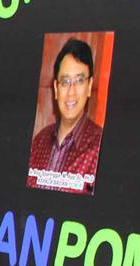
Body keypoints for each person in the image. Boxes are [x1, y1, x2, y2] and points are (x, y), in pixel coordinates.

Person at [27, 37, 103, 194]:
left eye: (79, 81)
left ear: (89, 86)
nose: (71, 92)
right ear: (56, 88)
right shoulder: (38, 143)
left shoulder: (99, 148)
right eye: (65, 81)